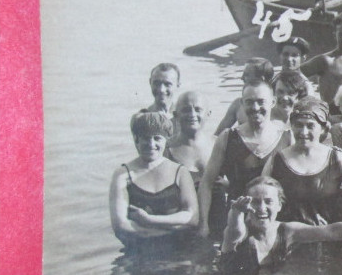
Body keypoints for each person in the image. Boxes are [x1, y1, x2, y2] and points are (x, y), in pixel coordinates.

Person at [219, 176, 342, 274]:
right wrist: (236, 212)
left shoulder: (287, 230)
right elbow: (234, 232)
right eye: (255, 202)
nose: (262, 208)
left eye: (268, 201)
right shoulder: (240, 230)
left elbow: (332, 231)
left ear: (280, 205)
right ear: (246, 205)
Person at [264, 98, 342, 224]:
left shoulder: (335, 158)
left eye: (310, 125)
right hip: (291, 237)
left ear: (323, 129)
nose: (303, 132)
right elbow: (260, 192)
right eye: (298, 125)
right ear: (292, 126)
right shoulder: (277, 160)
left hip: (328, 235)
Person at [199, 81, 288, 239]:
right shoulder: (228, 137)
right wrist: (204, 223)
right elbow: (206, 183)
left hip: (274, 220)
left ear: (273, 102)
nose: (255, 108)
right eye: (249, 102)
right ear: (242, 103)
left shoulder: (286, 137)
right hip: (237, 220)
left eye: (261, 102)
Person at [109, 112, 198, 245]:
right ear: (136, 139)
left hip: (178, 248)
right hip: (138, 250)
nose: (151, 144)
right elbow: (120, 226)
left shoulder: (180, 172)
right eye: (146, 138)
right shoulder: (122, 175)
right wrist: (164, 233)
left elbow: (192, 217)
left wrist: (150, 220)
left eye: (157, 138)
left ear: (166, 140)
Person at [164, 91, 214, 189]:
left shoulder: (219, 144)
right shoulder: (166, 148)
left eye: (198, 109)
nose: (192, 114)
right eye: (186, 110)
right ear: (176, 115)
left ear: (208, 114)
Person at [214, 58, 276, 134]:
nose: (242, 78)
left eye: (246, 75)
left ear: (260, 79)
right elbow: (217, 136)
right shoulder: (237, 105)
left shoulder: (279, 105)